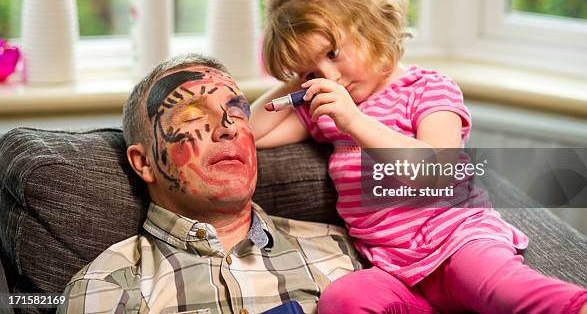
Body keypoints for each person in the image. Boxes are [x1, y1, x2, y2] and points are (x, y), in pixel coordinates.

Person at [251, 0, 587, 314]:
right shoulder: (331, 110)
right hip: (393, 267)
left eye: (333, 53)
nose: (331, 76)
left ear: (370, 25)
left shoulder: (426, 89)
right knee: (343, 300)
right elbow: (252, 132)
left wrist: (355, 121)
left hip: (457, 242)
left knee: (502, 288)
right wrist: (299, 81)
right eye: (313, 71)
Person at [58, 54, 362, 314]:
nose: (227, 128)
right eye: (191, 115)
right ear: (144, 163)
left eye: (237, 112)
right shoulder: (106, 286)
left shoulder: (342, 252)